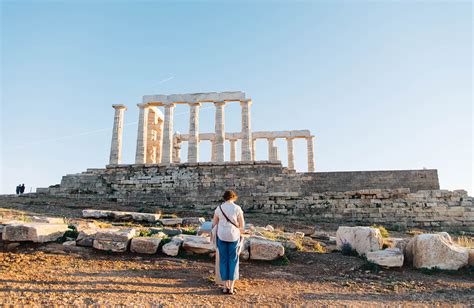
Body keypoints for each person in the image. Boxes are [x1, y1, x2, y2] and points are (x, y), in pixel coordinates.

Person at [212, 190, 245, 295]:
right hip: (233, 237)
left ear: (224, 198)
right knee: (233, 261)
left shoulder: (219, 208)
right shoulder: (237, 208)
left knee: (223, 260)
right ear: (234, 197)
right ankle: (231, 288)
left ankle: (225, 287)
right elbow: (242, 225)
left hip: (221, 236)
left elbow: (214, 224)